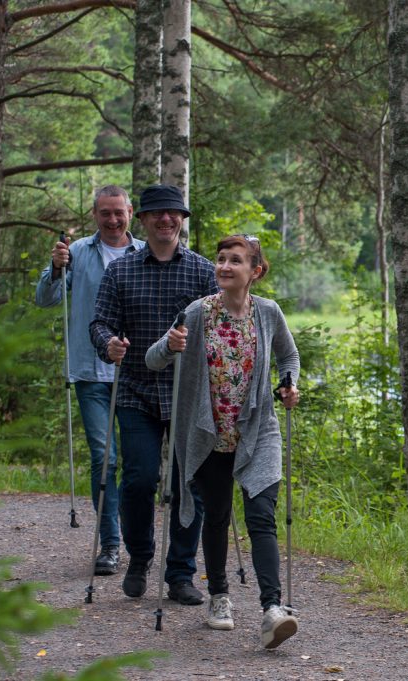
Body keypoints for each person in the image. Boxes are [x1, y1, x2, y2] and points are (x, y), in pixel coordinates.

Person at [145, 234, 300, 648]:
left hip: (257, 429)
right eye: (221, 260)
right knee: (215, 515)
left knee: (261, 517)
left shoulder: (268, 313)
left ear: (256, 271)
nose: (225, 266)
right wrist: (169, 344)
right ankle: (219, 596)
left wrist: (289, 385)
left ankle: (272, 609)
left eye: (236, 261)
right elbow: (153, 358)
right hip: (207, 432)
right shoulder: (197, 313)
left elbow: (289, 356)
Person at [90, 184, 218, 606]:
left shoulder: (202, 271)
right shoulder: (121, 271)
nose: (166, 220)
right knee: (140, 479)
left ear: (182, 219)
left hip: (189, 396)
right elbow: (100, 323)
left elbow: (219, 329)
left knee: (189, 484)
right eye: (158, 214)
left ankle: (181, 574)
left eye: (174, 213)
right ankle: (140, 557)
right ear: (142, 220)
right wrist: (108, 344)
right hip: (136, 392)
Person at [35, 185, 143, 576]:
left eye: (119, 212)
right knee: (105, 458)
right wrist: (56, 268)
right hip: (89, 372)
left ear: (130, 212)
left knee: (135, 464)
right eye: (105, 213)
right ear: (94, 214)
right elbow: (46, 299)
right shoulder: (77, 252)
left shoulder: (144, 254)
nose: (113, 220)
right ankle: (110, 545)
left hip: (135, 373)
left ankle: (139, 545)